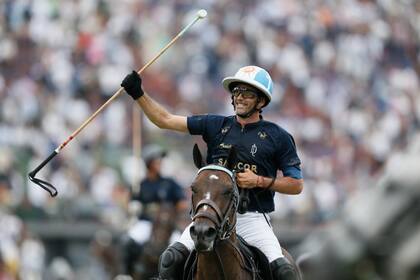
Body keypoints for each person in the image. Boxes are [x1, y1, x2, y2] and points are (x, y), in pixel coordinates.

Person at [121, 65, 304, 280]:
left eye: (247, 93)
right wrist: (138, 94)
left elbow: (296, 184)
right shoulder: (216, 125)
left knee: (285, 271)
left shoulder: (278, 136)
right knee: (170, 259)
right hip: (210, 215)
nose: (239, 98)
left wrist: (259, 181)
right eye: (236, 92)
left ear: (261, 101)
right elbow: (165, 120)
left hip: (252, 219)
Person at [121, 144, 187, 276]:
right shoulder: (139, 185)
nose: (160, 163)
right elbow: (128, 203)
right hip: (146, 223)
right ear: (148, 163)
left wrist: (170, 211)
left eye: (160, 160)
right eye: (157, 160)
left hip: (167, 226)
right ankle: (128, 275)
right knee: (128, 242)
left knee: (182, 249)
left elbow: (183, 203)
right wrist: (133, 206)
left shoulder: (169, 183)